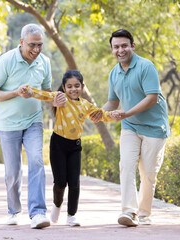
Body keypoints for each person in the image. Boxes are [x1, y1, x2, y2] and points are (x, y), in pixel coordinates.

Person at [0, 23, 66, 229]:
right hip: (8, 124)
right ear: (21, 42)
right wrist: (15, 92)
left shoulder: (44, 62)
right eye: (32, 45)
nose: (36, 50)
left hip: (33, 121)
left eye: (40, 45)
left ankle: (38, 213)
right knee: (13, 172)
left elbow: (46, 92)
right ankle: (13, 210)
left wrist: (53, 101)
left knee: (37, 162)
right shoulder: (5, 61)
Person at [90, 29, 170, 226]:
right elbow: (113, 102)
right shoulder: (114, 73)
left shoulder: (146, 67)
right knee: (126, 165)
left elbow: (152, 98)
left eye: (124, 45)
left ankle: (144, 213)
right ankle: (128, 212)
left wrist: (126, 113)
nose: (120, 50)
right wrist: (100, 112)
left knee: (148, 174)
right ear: (112, 50)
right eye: (116, 47)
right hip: (130, 127)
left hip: (154, 128)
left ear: (132, 46)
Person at [19, 70, 113, 227]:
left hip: (75, 146)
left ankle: (71, 215)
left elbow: (101, 115)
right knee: (61, 182)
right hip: (58, 145)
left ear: (82, 86)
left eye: (77, 86)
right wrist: (28, 90)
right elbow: (43, 95)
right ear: (64, 87)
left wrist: (114, 115)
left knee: (74, 183)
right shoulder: (60, 98)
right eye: (69, 86)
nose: (73, 89)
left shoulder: (86, 105)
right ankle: (57, 205)